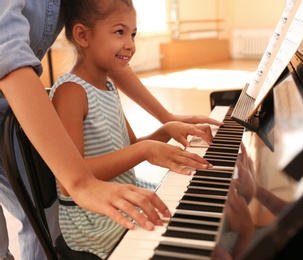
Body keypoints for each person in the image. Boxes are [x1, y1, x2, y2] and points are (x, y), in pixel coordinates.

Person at [0, 0, 222, 259]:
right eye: (120, 32)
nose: (131, 44)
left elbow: (130, 146)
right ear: (82, 35)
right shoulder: (71, 92)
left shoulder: (107, 87)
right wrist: (145, 150)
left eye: (134, 34)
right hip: (90, 224)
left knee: (201, 231)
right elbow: (72, 178)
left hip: (112, 203)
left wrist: (166, 127)